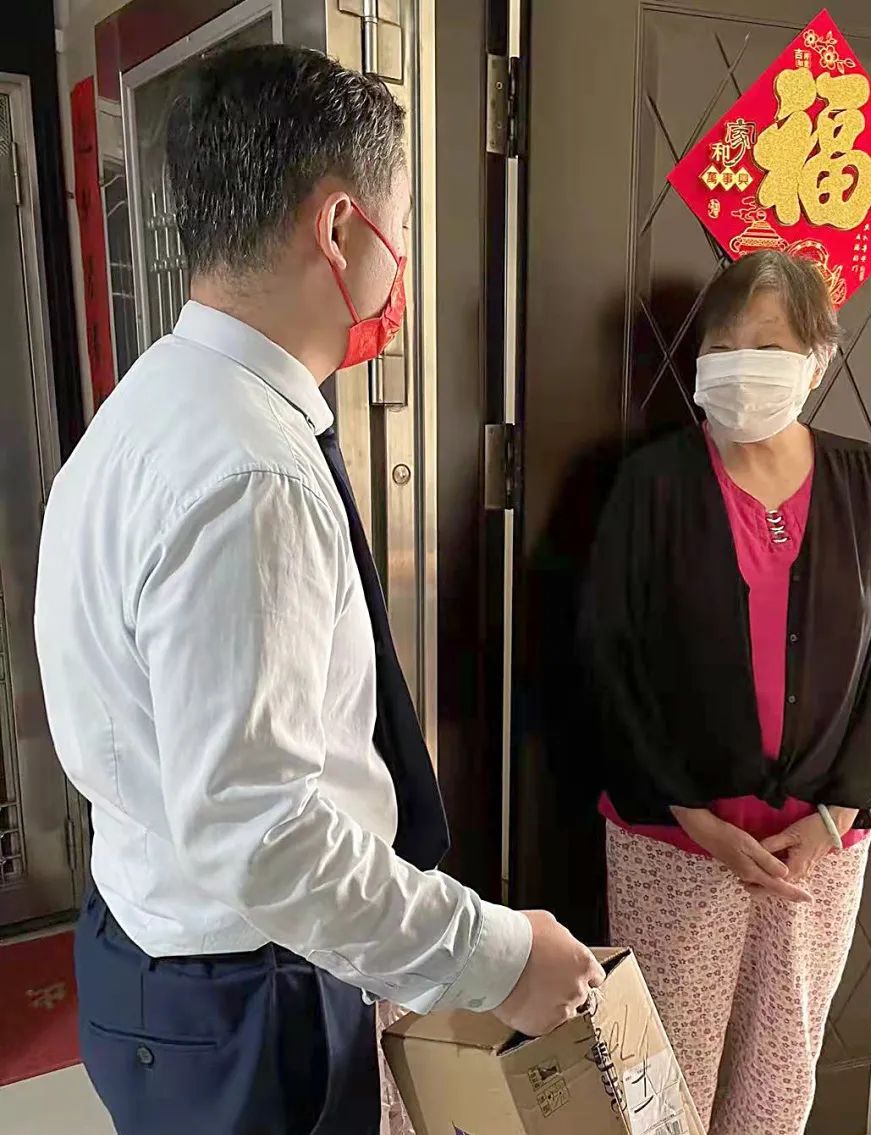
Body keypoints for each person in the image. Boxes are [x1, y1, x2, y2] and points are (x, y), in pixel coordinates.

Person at [34, 45, 602, 1135]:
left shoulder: (150, 408)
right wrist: (497, 957)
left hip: (158, 953)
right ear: (341, 228)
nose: (404, 264)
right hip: (244, 995)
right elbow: (265, 834)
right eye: (403, 228)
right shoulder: (251, 472)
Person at [581, 250, 871, 1134]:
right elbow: (607, 658)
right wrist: (692, 812)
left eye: (766, 345)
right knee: (655, 1073)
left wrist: (837, 815)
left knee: (781, 1070)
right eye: (722, 345)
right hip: (674, 838)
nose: (739, 364)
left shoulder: (866, 482)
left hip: (818, 849)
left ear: (817, 359)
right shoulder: (652, 484)